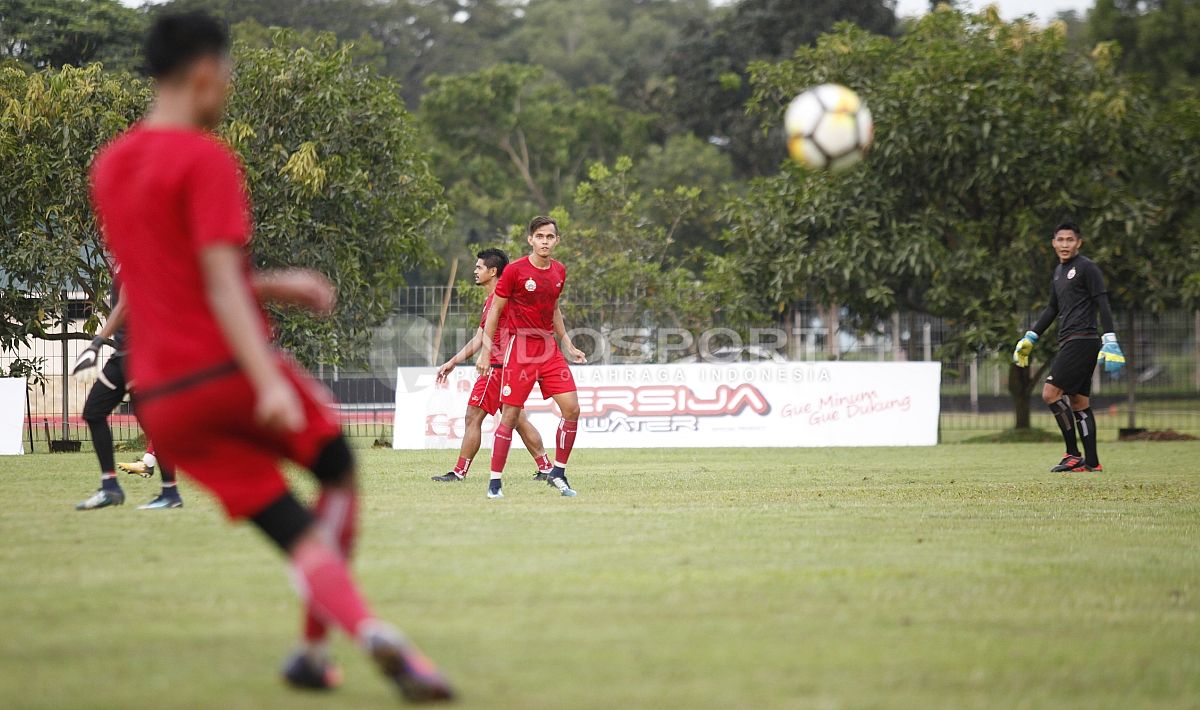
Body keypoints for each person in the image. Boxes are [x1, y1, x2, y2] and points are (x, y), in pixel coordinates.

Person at [89, 12, 453, 700]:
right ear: (203, 72)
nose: (226, 88)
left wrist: (272, 283)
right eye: (226, 74)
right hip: (227, 368)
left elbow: (163, 276)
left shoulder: (109, 168)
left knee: (291, 529)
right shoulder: (205, 158)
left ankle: (342, 645)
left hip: (164, 401)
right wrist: (268, 378)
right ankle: (334, 639)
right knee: (338, 474)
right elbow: (221, 285)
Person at [475, 216, 587, 499]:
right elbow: (495, 313)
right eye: (540, 236)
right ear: (530, 240)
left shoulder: (560, 271)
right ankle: (495, 482)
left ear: (557, 240)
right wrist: (487, 353)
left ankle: (558, 473)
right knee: (510, 416)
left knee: (572, 409)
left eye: (550, 237)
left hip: (549, 349)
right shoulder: (514, 271)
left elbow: (555, 309)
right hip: (520, 349)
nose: (545, 241)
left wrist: (568, 344)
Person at [432, 248, 556, 483]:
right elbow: (479, 337)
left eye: (479, 267)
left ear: (492, 271)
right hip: (507, 366)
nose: (475, 271)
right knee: (517, 418)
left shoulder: (503, 298)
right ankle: (546, 467)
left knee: (473, 416)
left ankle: (459, 472)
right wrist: (453, 361)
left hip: (498, 367)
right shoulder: (493, 299)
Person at [1012, 221, 1125, 473]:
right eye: (1060, 240)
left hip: (1082, 340)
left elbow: (1102, 302)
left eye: (1070, 240)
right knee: (1079, 401)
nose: (1065, 244)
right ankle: (1092, 462)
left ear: (1079, 243)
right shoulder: (1058, 272)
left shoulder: (1088, 268)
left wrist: (1110, 339)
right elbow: (1053, 308)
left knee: (1050, 394)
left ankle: (1073, 454)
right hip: (1071, 340)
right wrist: (1031, 336)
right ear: (1053, 243)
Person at [72, 279, 183, 510]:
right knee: (93, 412)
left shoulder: (136, 252)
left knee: (151, 421)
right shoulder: (124, 259)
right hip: (122, 355)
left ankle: (170, 493)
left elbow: (125, 305)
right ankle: (110, 488)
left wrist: (96, 343)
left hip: (140, 353)